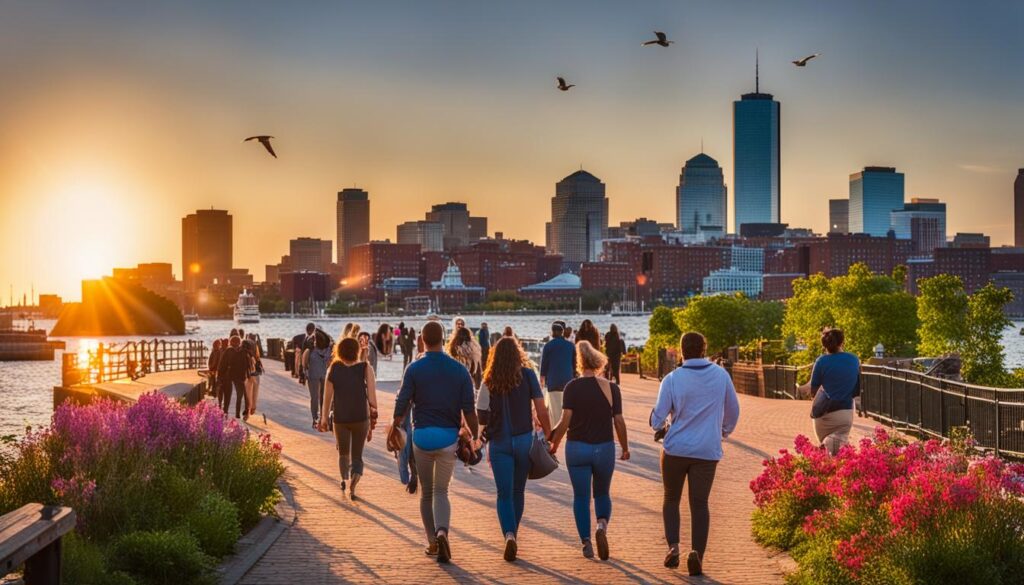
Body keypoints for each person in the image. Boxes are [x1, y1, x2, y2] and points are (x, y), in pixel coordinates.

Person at [651, 332, 740, 576]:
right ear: (703, 349)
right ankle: (697, 555)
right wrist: (722, 431)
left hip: (676, 450)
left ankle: (673, 547)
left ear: (681, 351)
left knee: (671, 499)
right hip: (706, 451)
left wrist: (658, 422)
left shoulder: (671, 379)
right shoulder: (721, 375)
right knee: (700, 504)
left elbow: (657, 418)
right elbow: (733, 410)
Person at [393, 321, 480, 564]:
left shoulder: (414, 368)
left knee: (426, 492)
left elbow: (403, 401)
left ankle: (432, 541)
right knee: (442, 491)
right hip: (448, 438)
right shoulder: (459, 370)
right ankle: (443, 531)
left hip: (421, 437)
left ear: (422, 339)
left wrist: (394, 423)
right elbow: (469, 410)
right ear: (443, 339)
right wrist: (473, 436)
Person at [549, 341, 629, 561]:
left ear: (578, 363)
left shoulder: (572, 387)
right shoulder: (611, 388)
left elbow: (565, 421)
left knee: (581, 497)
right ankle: (601, 526)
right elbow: (619, 422)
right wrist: (625, 447)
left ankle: (586, 542)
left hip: (577, 449)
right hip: (604, 448)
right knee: (602, 493)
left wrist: (554, 444)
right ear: (598, 362)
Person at [477, 337, 553, 562]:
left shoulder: (489, 378)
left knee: (503, 493)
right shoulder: (528, 375)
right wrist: (548, 435)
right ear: (518, 353)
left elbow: (481, 412)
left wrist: (481, 436)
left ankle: (509, 534)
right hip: (523, 441)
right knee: (518, 492)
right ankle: (514, 534)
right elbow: (541, 409)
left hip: (499, 442)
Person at [319, 337, 378, 499]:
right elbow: (372, 399)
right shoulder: (366, 368)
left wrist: (324, 418)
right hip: (361, 417)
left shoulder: (333, 368)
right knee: (357, 455)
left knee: (343, 453)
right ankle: (354, 481)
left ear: (339, 350)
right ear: (356, 351)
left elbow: (327, 398)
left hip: (340, 418)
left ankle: (344, 479)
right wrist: (373, 415)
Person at [809, 328, 860, 456]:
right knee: (840, 451)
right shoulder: (854, 359)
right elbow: (856, 388)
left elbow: (813, 390)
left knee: (827, 452)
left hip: (822, 413)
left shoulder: (821, 361)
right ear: (842, 342)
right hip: (845, 411)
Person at [540, 322, 576, 424]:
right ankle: (567, 428)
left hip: (553, 381)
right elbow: (575, 365)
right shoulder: (570, 346)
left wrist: (542, 380)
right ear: (562, 332)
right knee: (568, 408)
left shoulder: (548, 346)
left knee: (554, 411)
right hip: (568, 381)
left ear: (552, 333)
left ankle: (555, 433)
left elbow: (544, 366)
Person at [304, 328, 333, 429]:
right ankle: (324, 418)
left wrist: (304, 372)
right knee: (324, 398)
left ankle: (315, 419)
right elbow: (331, 362)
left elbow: (304, 361)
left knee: (314, 398)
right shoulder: (329, 349)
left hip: (313, 375)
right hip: (325, 375)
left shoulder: (311, 349)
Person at [217, 335, 249, 418]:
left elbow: (221, 365)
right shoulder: (243, 352)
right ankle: (237, 414)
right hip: (239, 378)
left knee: (227, 396)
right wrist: (244, 377)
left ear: (230, 342)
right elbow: (245, 366)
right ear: (239, 342)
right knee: (239, 396)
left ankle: (225, 413)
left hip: (227, 377)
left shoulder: (228, 351)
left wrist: (219, 377)